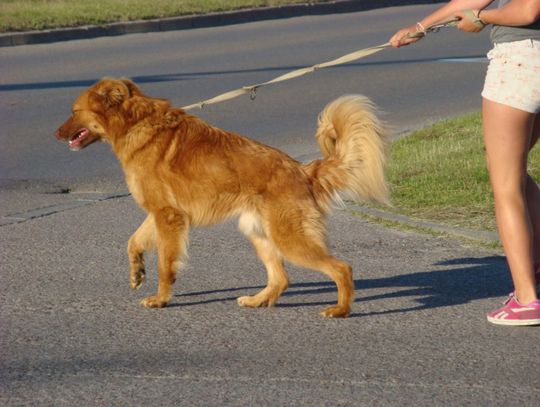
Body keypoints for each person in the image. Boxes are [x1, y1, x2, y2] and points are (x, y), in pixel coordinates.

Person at [389, 0, 540, 326]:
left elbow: (528, 11)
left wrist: (482, 18)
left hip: (520, 60)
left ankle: (527, 298)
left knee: (506, 185)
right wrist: (420, 27)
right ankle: (535, 271)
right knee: (516, 174)